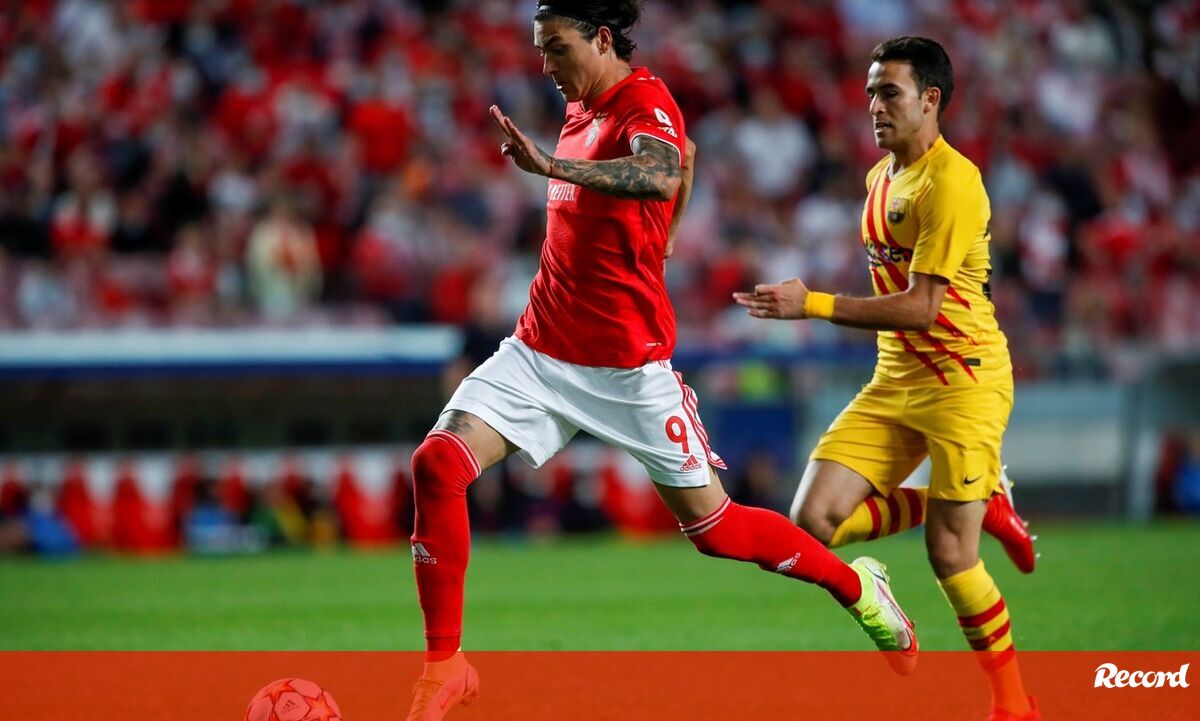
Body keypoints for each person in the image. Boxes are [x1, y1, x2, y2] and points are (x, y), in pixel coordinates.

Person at [405, 4, 917, 720]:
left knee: (719, 531)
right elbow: (683, 165)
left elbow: (662, 168)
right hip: (539, 350)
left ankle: (858, 587)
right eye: (540, 50)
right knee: (437, 464)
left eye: (556, 48)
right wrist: (665, 237)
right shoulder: (580, 109)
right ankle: (445, 666)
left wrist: (551, 166)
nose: (546, 65)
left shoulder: (643, 100)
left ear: (601, 38)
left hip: (628, 368)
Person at [735, 36, 1039, 721]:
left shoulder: (952, 181)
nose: (875, 105)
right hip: (896, 377)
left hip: (963, 380)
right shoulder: (881, 177)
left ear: (931, 99)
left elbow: (924, 307)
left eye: (890, 92)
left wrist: (812, 304)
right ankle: (979, 502)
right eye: (871, 91)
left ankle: (1013, 703)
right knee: (813, 521)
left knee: (950, 554)